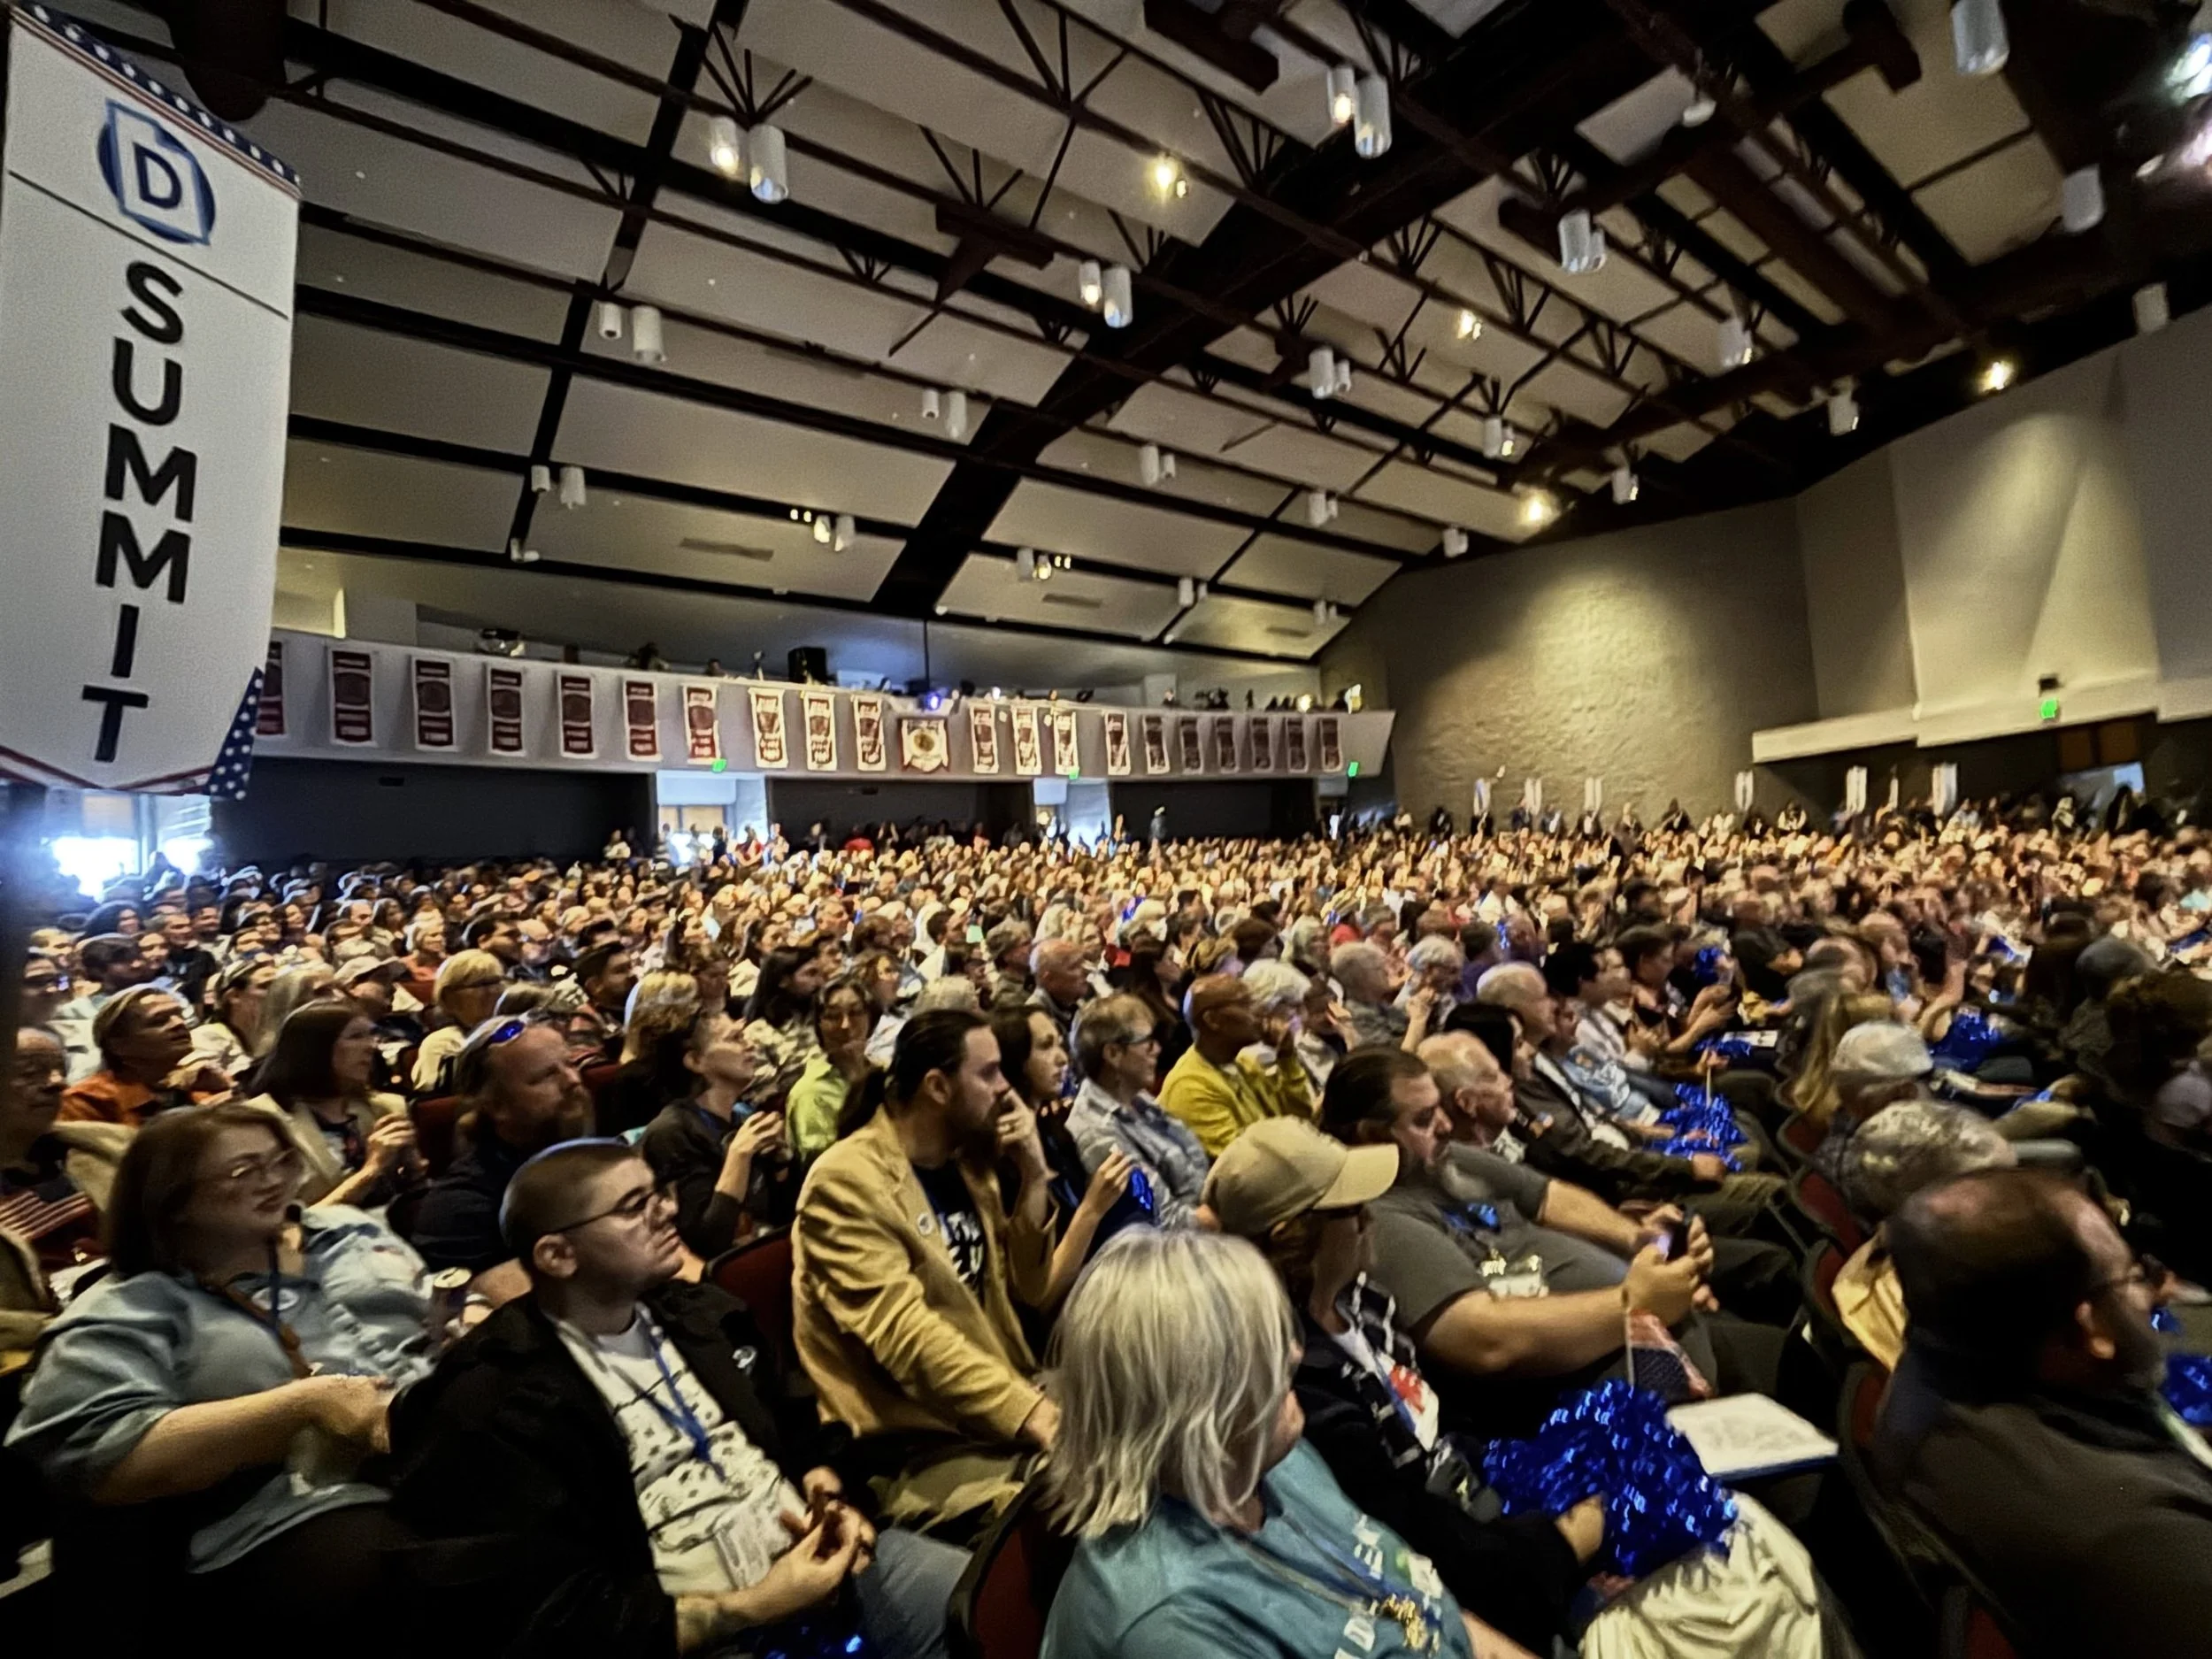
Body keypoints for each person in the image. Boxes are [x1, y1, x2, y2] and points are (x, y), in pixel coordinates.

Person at [388, 1141, 970, 1659]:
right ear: (558, 1255)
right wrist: (757, 1604)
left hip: (829, 1572)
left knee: (983, 1600)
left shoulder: (700, 1315)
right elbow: (559, 1617)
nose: (667, 1210)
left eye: (658, 1193)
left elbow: (801, 1427)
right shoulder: (497, 1402)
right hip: (706, 1636)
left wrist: (828, 1492)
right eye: (633, 1206)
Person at [5, 1104, 434, 1653]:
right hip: (299, 1504)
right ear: (173, 1200)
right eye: (244, 1171)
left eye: (281, 1161)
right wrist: (304, 1406)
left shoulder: (343, 1228)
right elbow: (102, 1459)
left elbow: (429, 1308)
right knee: (431, 1569)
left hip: (440, 1434)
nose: (274, 1180)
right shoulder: (129, 1309)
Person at [1204, 1116, 1598, 1650]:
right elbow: (1417, 1540)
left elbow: (1443, 1419)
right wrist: (1568, 1539)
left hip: (1490, 1505)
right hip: (1479, 1581)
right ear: (1295, 1239)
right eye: (1349, 1211)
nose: (1370, 1217)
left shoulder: (1361, 1301)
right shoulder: (1297, 1390)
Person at [1040, 1228, 1525, 1659]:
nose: (1294, 1354)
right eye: (1262, 1347)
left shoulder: (1269, 1462)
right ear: (1196, 1407)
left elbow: (1427, 1609)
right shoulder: (1170, 1624)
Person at [1318, 1048, 1781, 1434]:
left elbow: (1546, 1197)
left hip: (1650, 1332)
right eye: (1422, 1118)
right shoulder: (1379, 1215)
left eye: (1439, 1108)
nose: (1444, 1124)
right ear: (1372, 1136)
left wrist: (1639, 1240)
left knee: (1792, 1354)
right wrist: (1635, 1302)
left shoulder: (1447, 1159)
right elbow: (1482, 1340)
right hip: (1596, 1390)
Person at [1873, 1168, 2212, 1654]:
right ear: (2089, 1328)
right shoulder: (2140, 1535)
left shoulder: (1927, 1374)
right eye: (2134, 1277)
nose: (2158, 1292)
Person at [792, 1010, 1059, 1539]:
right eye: (988, 1074)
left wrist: (1033, 1174)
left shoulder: (963, 1161)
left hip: (994, 1392)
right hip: (913, 1439)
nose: (1005, 1088)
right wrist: (1032, 1415)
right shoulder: (846, 1183)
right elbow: (908, 1338)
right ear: (937, 1086)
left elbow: (1029, 1289)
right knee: (1088, 1492)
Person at [1830, 1099, 2015, 1369]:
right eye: (1999, 1189)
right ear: (1934, 1206)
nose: (2016, 1201)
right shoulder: (1937, 1315)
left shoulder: (1900, 1247)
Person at [405, 1018, 594, 1279]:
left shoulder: (596, 1157)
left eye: (570, 1063)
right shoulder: (463, 1210)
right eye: (546, 1075)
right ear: (496, 1106)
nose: (573, 1080)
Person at [2, 1028, 129, 1356]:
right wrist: (65, 1329)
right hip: (49, 1356)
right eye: (30, 1073)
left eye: (61, 1069)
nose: (57, 1083)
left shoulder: (111, 1146)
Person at [640, 1011, 789, 1260]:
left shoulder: (742, 1116)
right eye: (735, 1038)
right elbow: (708, 1242)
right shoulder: (672, 1132)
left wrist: (781, 1162)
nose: (750, 1045)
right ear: (696, 1061)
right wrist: (739, 1157)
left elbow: (782, 1213)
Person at [247, 1002, 420, 1209]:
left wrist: (413, 1171)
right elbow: (286, 1225)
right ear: (314, 1049)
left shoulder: (387, 1107)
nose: (371, 1046)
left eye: (371, 1035)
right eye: (356, 1037)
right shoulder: (260, 1121)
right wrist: (371, 1170)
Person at [1065, 994, 1209, 1228]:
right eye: (1147, 1042)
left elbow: (1197, 1167)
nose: (1157, 1049)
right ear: (1113, 1054)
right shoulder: (1098, 1131)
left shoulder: (1137, 1098)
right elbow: (1164, 1221)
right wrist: (1224, 1217)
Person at [1156, 974, 1313, 1158]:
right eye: (1245, 1005)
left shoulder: (1245, 1063)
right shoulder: (1189, 1087)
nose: (1260, 1014)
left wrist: (1286, 1057)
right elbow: (1242, 1163)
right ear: (1212, 1020)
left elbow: (1301, 1118)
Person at [58, 986, 230, 1127]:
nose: (178, 1024)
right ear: (118, 1044)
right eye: (159, 1021)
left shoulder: (202, 1082)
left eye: (179, 1015)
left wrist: (231, 1090)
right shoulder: (87, 1100)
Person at [783, 974, 878, 1164]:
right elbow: (826, 1165)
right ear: (819, 1025)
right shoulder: (810, 1093)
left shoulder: (884, 1071)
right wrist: (856, 1080)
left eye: (856, 1012)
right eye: (833, 1017)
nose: (845, 1025)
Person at [411, 949, 507, 1095]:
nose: (494, 991)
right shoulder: (442, 1043)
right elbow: (433, 1106)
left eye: (497, 982)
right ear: (449, 997)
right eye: (482, 984)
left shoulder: (514, 1032)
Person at [741, 948, 826, 1108]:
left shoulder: (823, 1019)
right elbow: (763, 1095)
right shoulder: (758, 1032)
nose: (820, 982)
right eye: (811, 974)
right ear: (783, 980)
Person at [191, 956, 277, 1079]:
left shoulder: (276, 1036)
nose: (278, 991)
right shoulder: (208, 1036)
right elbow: (198, 1084)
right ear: (234, 996)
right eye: (267, 986)